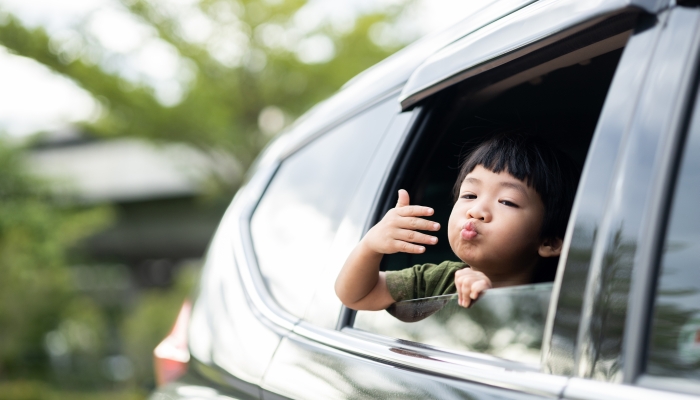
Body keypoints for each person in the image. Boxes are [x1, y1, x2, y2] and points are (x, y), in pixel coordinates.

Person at [335, 132, 578, 312]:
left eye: (506, 201)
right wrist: (370, 246)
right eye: (469, 195)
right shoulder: (440, 280)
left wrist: (493, 296)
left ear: (550, 241)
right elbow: (357, 296)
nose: (476, 210)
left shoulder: (563, 299)